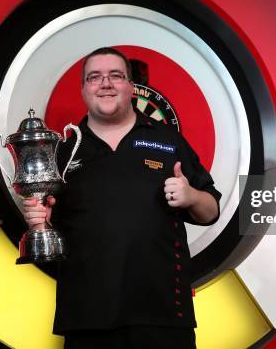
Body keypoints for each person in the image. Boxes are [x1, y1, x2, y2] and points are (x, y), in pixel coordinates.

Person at [22, 47, 221, 349]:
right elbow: (48, 223)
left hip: (163, 314)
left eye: (116, 76)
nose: (105, 83)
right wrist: (41, 221)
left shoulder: (167, 139)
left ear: (131, 86)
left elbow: (211, 211)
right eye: (94, 77)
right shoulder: (62, 152)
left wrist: (191, 195)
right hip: (87, 318)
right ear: (84, 89)